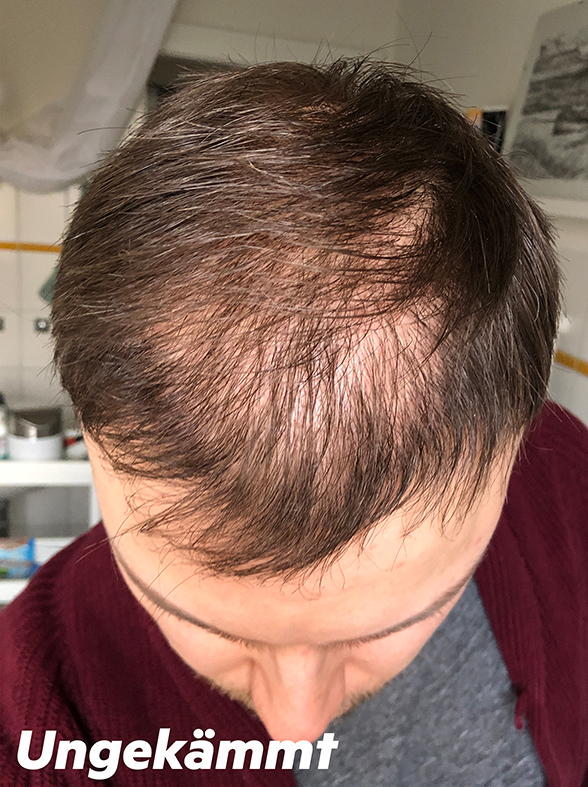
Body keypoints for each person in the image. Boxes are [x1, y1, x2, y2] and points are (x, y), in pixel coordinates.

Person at [1, 58, 587, 787]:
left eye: (378, 631)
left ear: (518, 443)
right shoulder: (39, 723)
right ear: (94, 440)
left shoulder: (570, 476)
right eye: (213, 628)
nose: (295, 724)